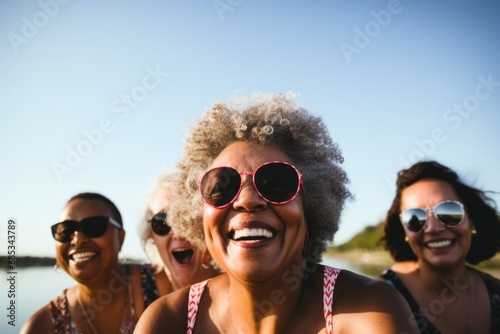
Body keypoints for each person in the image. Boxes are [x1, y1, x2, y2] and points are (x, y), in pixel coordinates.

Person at [135, 93, 419, 333]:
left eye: (276, 183)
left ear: (310, 212)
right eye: (221, 186)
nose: (247, 200)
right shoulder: (167, 321)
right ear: (200, 218)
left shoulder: (372, 313)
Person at [379, 161, 500, 333]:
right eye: (415, 218)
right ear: (404, 231)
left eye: (449, 212)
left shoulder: (496, 290)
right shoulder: (382, 298)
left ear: (472, 220)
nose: (434, 228)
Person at [21, 192, 168, 334]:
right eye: (65, 230)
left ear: (121, 237)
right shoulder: (42, 326)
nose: (78, 240)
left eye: (94, 226)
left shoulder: (162, 283)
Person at [139, 173, 220, 292]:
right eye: (162, 221)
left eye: (189, 219)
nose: (178, 234)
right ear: (151, 234)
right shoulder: (137, 287)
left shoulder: (242, 286)